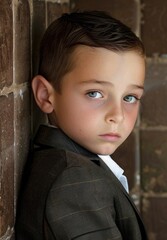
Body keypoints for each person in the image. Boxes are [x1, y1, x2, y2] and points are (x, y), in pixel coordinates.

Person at [15, 11, 147, 239]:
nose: (117, 115)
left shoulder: (80, 165)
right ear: (46, 95)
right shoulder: (74, 182)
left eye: (129, 97)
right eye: (95, 93)